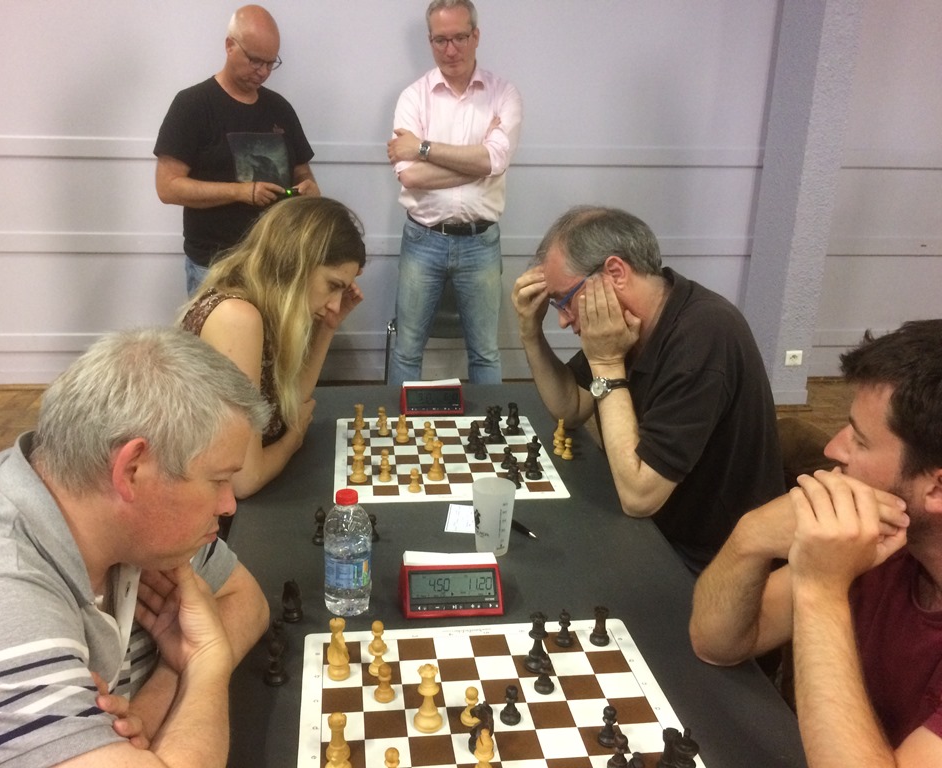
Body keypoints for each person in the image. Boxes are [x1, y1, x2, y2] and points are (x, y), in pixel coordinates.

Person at [0, 327, 272, 767]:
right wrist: (204, 665)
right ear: (131, 470)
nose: (228, 504)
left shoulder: (134, 521)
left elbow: (245, 600)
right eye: (218, 480)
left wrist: (156, 699)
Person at [690, 320, 942, 766]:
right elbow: (717, 643)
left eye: (859, 440)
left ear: (936, 489)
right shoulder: (882, 535)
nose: (833, 449)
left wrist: (822, 589)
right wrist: (751, 536)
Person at [511, 206, 783, 572]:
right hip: (656, 530)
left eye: (564, 299)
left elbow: (639, 497)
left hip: (709, 562)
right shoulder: (628, 325)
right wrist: (530, 334)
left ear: (615, 273)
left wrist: (607, 364)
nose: (562, 319)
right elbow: (571, 408)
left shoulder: (703, 336)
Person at [180, 195, 365, 501]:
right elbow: (244, 480)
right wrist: (294, 439)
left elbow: (291, 405)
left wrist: (328, 327)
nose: (335, 303)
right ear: (297, 262)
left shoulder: (264, 309)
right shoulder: (237, 317)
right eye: (333, 285)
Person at [386, 0, 522, 385]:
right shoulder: (413, 97)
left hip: (481, 242)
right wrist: (477, 165)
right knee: (407, 350)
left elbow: (495, 160)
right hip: (422, 238)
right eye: (440, 40)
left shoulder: (503, 94)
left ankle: (489, 425)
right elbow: (410, 176)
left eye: (459, 37)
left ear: (476, 36)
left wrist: (422, 148)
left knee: (485, 352)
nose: (450, 49)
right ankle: (396, 424)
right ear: (430, 41)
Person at [155, 5, 320, 295]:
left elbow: (303, 173)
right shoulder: (192, 105)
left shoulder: (280, 108)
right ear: (230, 45)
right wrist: (241, 192)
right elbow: (167, 187)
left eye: (270, 63)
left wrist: (310, 191)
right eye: (255, 61)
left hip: (276, 263)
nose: (263, 72)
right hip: (215, 266)